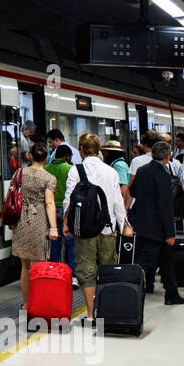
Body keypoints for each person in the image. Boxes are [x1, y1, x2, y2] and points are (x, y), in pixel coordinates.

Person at [62, 132, 126, 320]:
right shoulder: (111, 171)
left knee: (86, 270)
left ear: (81, 149)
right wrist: (124, 225)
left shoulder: (76, 170)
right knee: (108, 268)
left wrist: (66, 223)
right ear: (98, 150)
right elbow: (117, 202)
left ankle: (91, 314)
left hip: (84, 228)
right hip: (108, 227)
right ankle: (107, 311)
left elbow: (69, 200)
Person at [127, 141, 184, 305]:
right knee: (144, 263)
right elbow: (165, 205)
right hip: (158, 229)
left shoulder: (141, 170)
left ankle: (172, 294)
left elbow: (132, 191)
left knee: (167, 261)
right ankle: (127, 291)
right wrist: (170, 233)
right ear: (168, 157)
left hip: (142, 223)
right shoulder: (163, 174)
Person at [13, 140, 59, 308]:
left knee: (25, 267)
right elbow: (49, 203)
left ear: (30, 156)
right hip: (39, 221)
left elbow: (12, 197)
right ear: (46, 158)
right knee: (38, 266)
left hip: (22, 221)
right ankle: (38, 302)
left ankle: (26, 303)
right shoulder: (49, 178)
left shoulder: (19, 174)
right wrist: (54, 227)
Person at [44, 144, 75, 272]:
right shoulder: (70, 169)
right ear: (67, 156)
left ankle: (53, 271)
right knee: (70, 243)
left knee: (54, 242)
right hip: (66, 210)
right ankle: (72, 274)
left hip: (50, 211)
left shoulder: (46, 169)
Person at [101, 139, 131, 208]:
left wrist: (122, 206)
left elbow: (123, 187)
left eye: (105, 153)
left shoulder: (118, 165)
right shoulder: (118, 163)